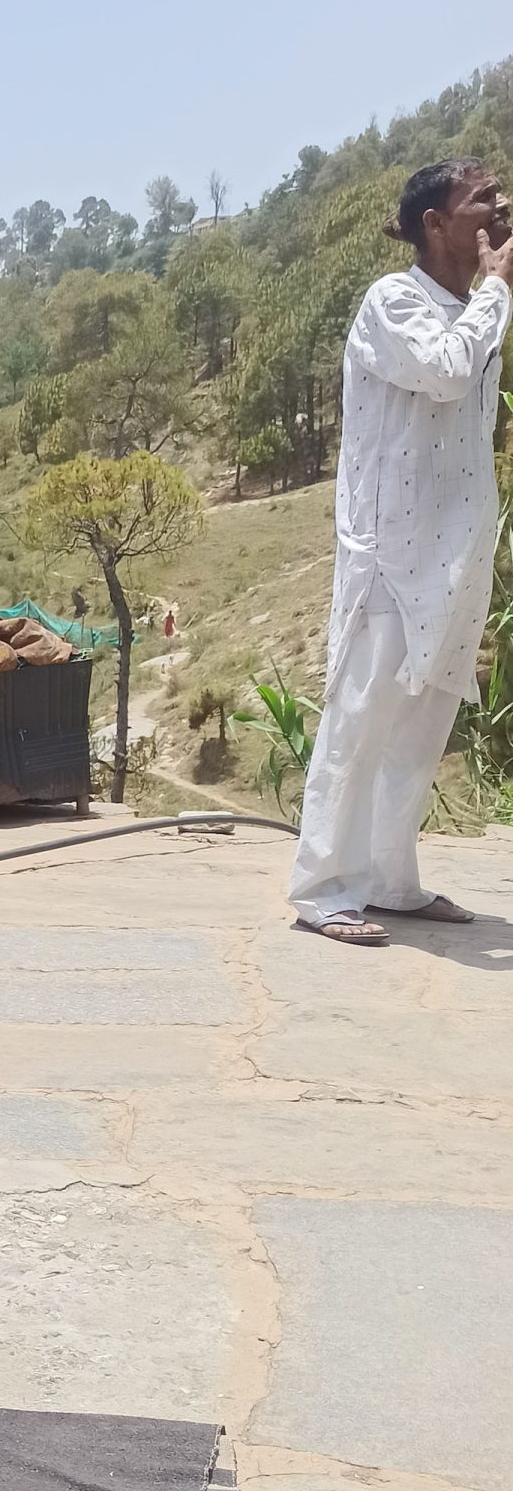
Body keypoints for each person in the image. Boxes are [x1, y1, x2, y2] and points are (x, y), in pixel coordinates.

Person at [289, 159, 512, 945]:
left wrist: (487, 299)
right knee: (363, 713)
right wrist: (495, 294)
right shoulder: (395, 302)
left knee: (421, 719)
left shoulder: (474, 308)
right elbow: (446, 374)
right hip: (390, 550)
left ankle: (389, 878)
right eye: (483, 199)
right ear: (436, 225)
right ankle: (323, 887)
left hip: (454, 553)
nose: (502, 207)